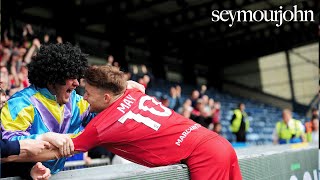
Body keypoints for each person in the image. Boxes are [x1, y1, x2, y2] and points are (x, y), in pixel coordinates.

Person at [17, 65, 242, 180]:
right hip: (218, 144)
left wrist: (12, 151)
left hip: (205, 157)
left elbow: (54, 151)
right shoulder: (133, 92)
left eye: (89, 94)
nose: (83, 98)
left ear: (106, 98)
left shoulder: (101, 126)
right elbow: (133, 85)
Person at [0, 42, 145, 175]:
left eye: (77, 76)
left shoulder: (75, 101)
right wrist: (41, 144)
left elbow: (104, 117)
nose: (76, 83)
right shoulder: (20, 104)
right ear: (53, 77)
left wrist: (121, 93)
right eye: (70, 76)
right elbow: (9, 146)